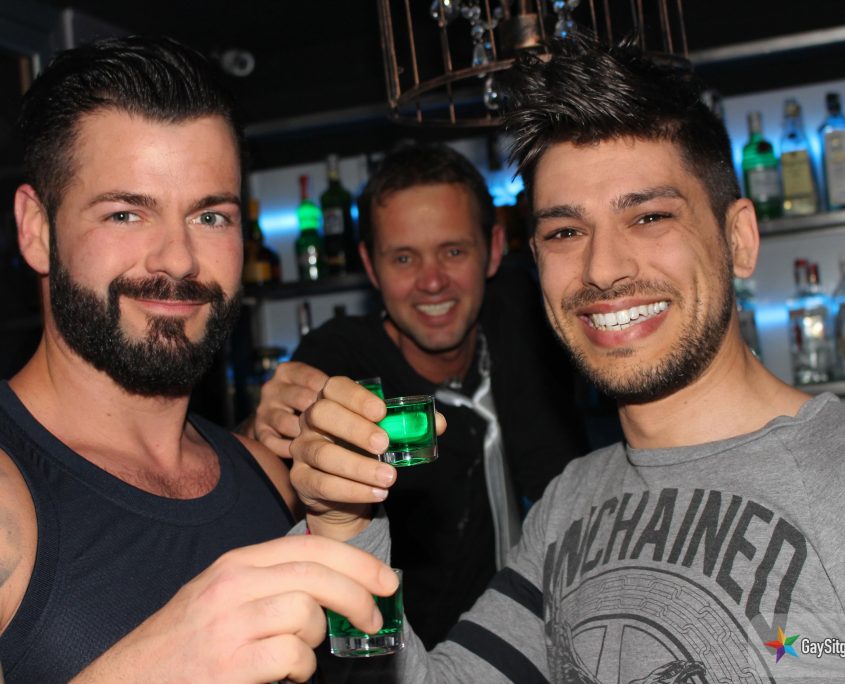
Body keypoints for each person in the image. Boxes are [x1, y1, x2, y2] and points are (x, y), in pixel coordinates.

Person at [288, 33, 845, 682]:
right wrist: (342, 530)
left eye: (649, 217)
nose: (602, 268)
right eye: (565, 231)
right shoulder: (569, 506)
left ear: (738, 239)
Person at [0, 36, 397, 684]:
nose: (179, 259)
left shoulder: (271, 479)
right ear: (37, 230)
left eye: (210, 217)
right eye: (126, 214)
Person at [245, 142, 589, 648]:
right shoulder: (342, 362)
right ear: (370, 265)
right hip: (418, 661)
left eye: (453, 251)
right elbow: (268, 461)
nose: (431, 281)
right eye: (404, 257)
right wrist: (263, 427)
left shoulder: (531, 319)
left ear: (494, 248)